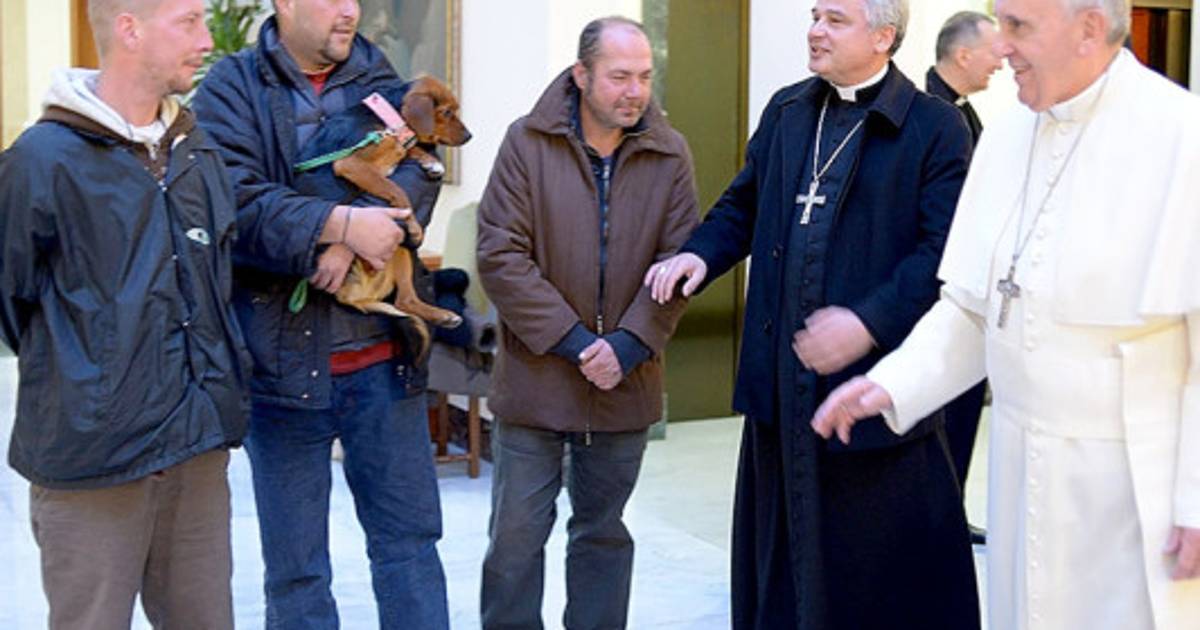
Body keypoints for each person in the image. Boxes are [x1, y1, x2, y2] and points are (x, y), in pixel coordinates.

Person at [812, 1, 1200, 628]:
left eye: (1018, 27)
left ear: (1088, 29)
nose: (1002, 47)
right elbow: (972, 307)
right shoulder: (1008, 134)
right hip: (1021, 463)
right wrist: (892, 382)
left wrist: (1195, 500)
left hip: (1132, 482)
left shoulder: (1181, 135)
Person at [647, 1, 978, 627]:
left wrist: (869, 322)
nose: (815, 30)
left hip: (872, 393)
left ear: (883, 37)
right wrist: (699, 254)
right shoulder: (789, 111)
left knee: (867, 573)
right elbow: (744, 203)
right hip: (782, 385)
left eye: (835, 20)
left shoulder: (934, 127)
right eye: (814, 15)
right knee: (782, 563)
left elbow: (941, 255)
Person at [191, 0, 449, 627]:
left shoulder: (381, 76)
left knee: (411, 550)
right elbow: (230, 200)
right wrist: (333, 226)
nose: (349, 11)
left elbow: (421, 170)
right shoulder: (231, 88)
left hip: (385, 366)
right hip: (280, 372)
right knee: (297, 572)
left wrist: (357, 235)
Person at [0, 0, 250, 627]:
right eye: (188, 21)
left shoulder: (198, 153)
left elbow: (215, 283)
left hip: (196, 451)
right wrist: (95, 382)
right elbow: (11, 302)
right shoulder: (40, 161)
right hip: (92, 464)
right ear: (129, 29)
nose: (206, 40)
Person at [475, 16, 699, 630]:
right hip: (536, 382)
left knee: (603, 537)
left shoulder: (670, 153)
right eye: (620, 77)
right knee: (515, 543)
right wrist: (577, 343)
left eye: (645, 77)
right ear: (581, 74)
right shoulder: (527, 142)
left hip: (625, 382)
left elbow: (681, 261)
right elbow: (500, 255)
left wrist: (627, 344)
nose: (635, 91)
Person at [927, 9, 1004, 545]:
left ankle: (949, 507)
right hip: (943, 290)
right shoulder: (931, 115)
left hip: (973, 286)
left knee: (964, 411)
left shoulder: (964, 112)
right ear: (963, 54)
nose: (1001, 60)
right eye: (994, 49)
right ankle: (936, 513)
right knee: (943, 412)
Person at [927, 11, 1003, 145]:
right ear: (963, 57)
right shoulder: (924, 112)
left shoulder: (960, 105)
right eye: (994, 54)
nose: (1000, 65)